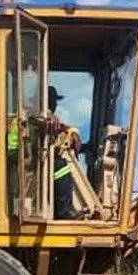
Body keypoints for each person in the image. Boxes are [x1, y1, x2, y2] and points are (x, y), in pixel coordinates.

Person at [48, 85, 80, 220]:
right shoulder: (45, 116)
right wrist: (71, 132)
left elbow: (60, 128)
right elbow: (54, 129)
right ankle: (64, 210)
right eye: (53, 100)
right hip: (31, 162)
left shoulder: (49, 117)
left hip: (32, 159)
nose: (55, 104)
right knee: (61, 167)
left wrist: (72, 131)